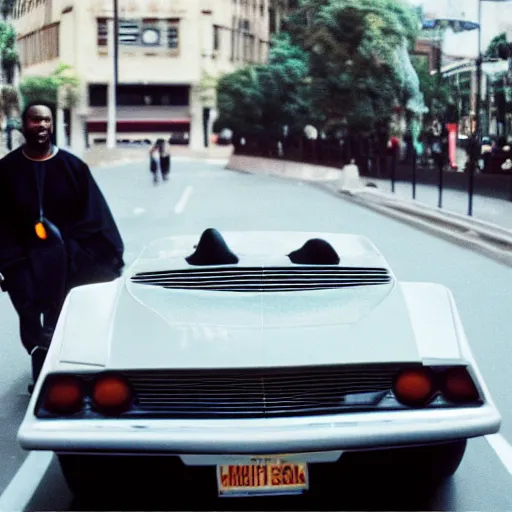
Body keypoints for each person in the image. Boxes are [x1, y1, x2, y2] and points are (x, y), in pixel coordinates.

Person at [0, 102, 124, 392]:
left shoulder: (73, 167)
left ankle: (51, 373)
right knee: (29, 314)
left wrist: (80, 249)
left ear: (52, 125)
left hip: (67, 257)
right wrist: (9, 258)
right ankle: (36, 354)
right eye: (35, 120)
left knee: (59, 316)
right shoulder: (6, 170)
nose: (41, 126)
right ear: (23, 125)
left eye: (46, 120)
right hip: (21, 258)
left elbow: (94, 214)